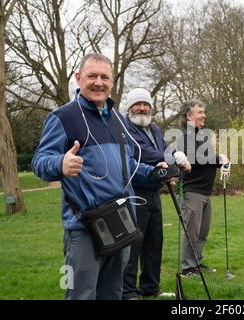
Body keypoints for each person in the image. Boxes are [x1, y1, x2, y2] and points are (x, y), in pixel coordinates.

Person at [32, 53, 167, 300]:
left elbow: (129, 166)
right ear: (78, 78)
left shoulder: (118, 119)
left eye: (104, 77)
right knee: (80, 294)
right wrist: (60, 162)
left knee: (113, 293)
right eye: (91, 76)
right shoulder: (62, 117)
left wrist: (158, 172)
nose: (98, 82)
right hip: (84, 226)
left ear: (112, 81)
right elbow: (39, 162)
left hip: (120, 220)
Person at [120, 88, 191, 299]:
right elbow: (140, 152)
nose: (142, 108)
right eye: (137, 104)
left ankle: (150, 287)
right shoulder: (125, 129)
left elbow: (165, 150)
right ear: (130, 107)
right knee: (134, 243)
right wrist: (170, 156)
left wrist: (173, 162)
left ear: (151, 108)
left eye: (145, 105)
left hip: (154, 190)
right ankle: (129, 291)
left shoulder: (156, 129)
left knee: (154, 241)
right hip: (135, 191)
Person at [176, 100, 230, 277]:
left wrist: (219, 160)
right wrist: (219, 158)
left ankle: (196, 263)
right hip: (192, 192)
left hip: (205, 192)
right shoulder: (185, 137)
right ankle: (187, 268)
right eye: (200, 112)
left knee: (202, 231)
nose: (204, 115)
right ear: (189, 116)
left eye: (203, 112)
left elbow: (207, 158)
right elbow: (196, 158)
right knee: (191, 231)